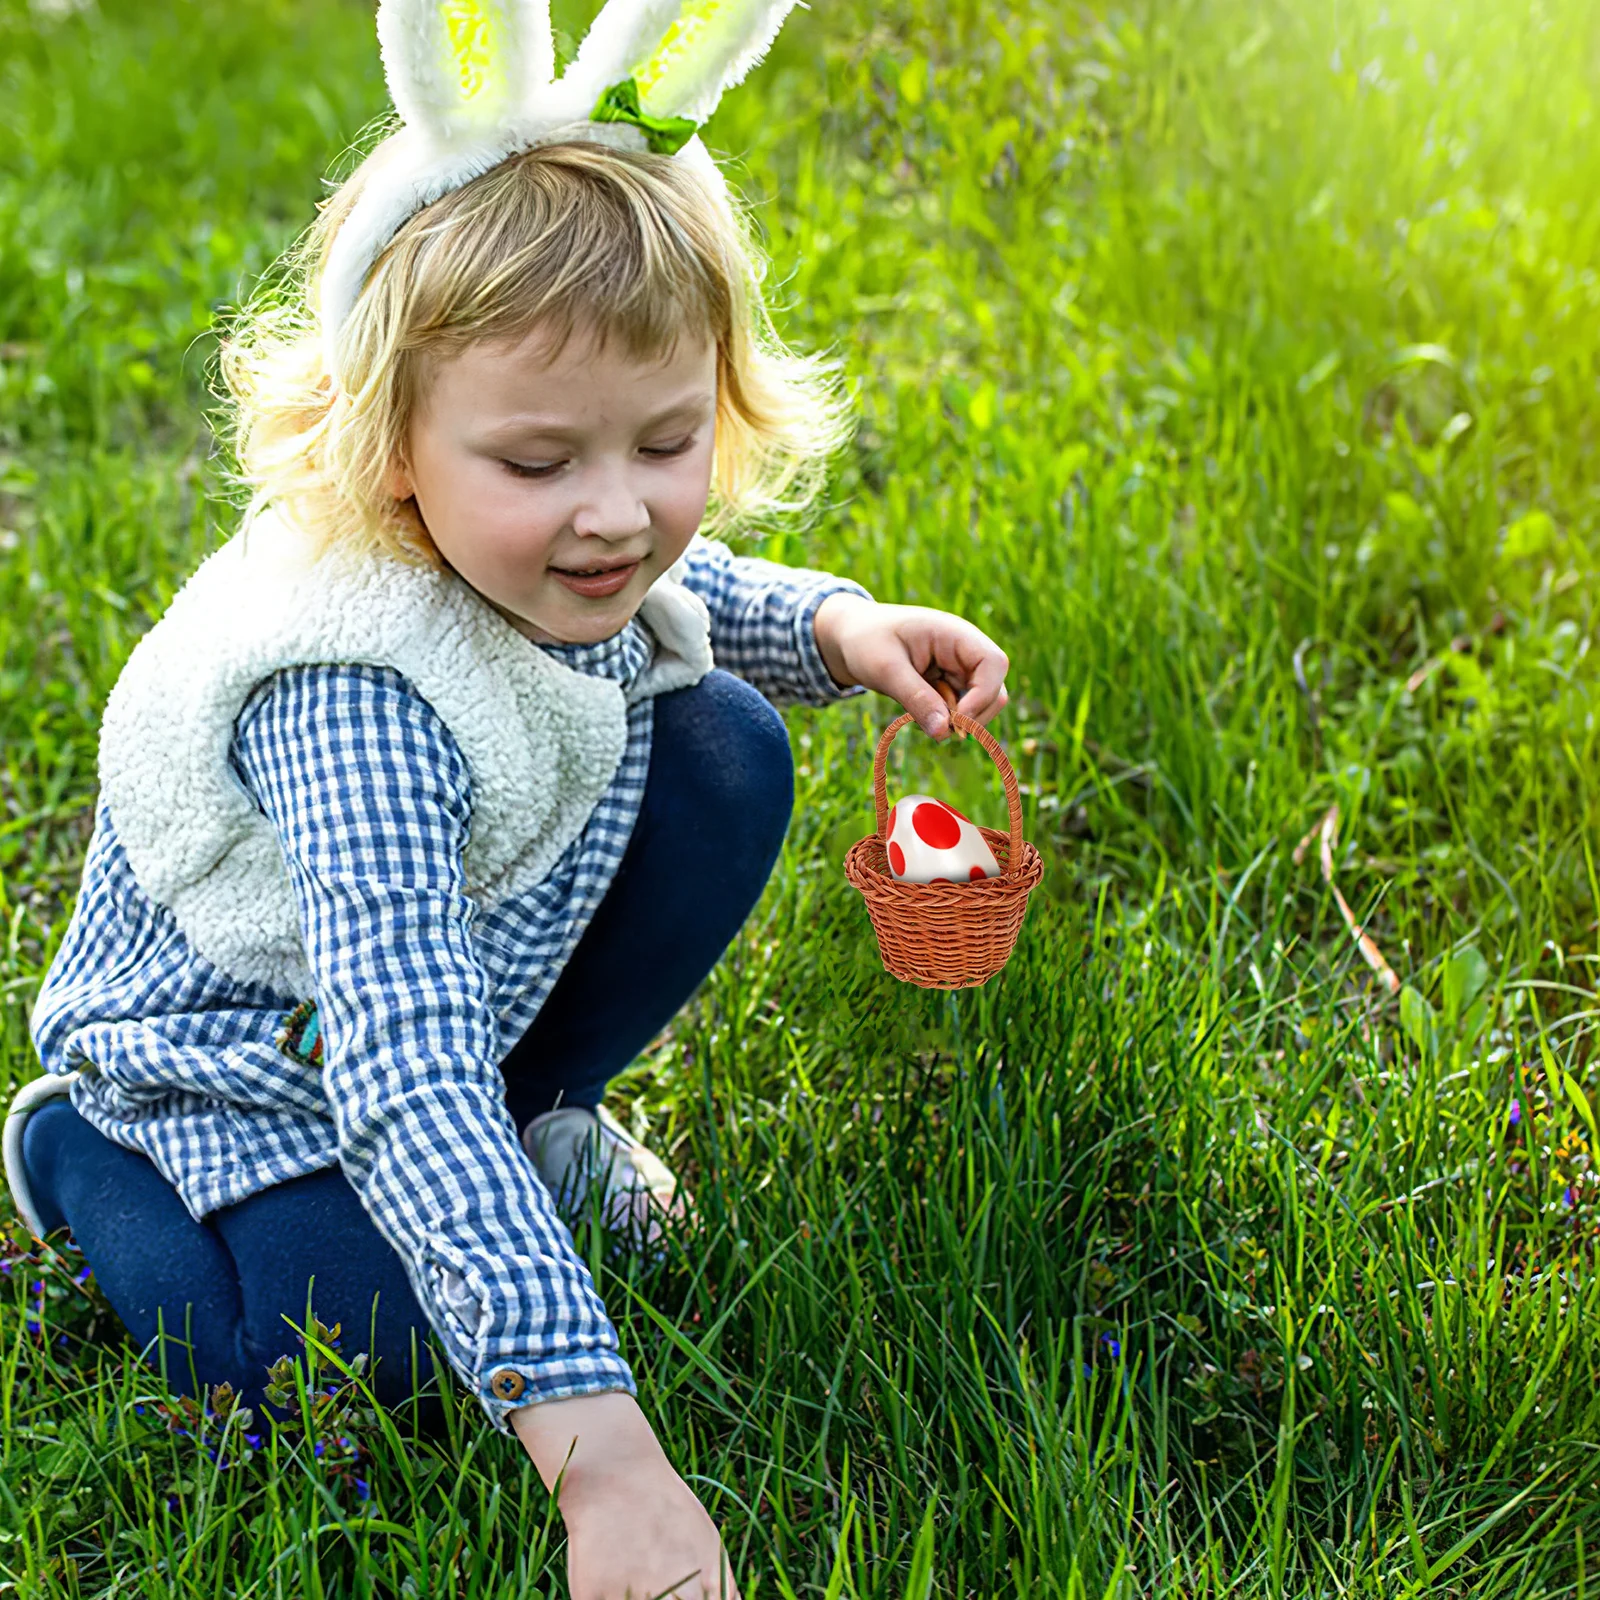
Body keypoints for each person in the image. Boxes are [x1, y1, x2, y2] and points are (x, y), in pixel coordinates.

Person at [3, 3, 1010, 1596]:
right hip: (238, 1067)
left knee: (727, 746)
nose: (617, 513)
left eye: (667, 440)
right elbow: (399, 1069)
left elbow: (691, 590)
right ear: (392, 445)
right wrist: (601, 1452)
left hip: (434, 994)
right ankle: (80, 1163)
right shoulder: (353, 698)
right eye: (540, 465)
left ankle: (537, 1112)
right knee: (354, 1353)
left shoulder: (561, 549)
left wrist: (838, 626)